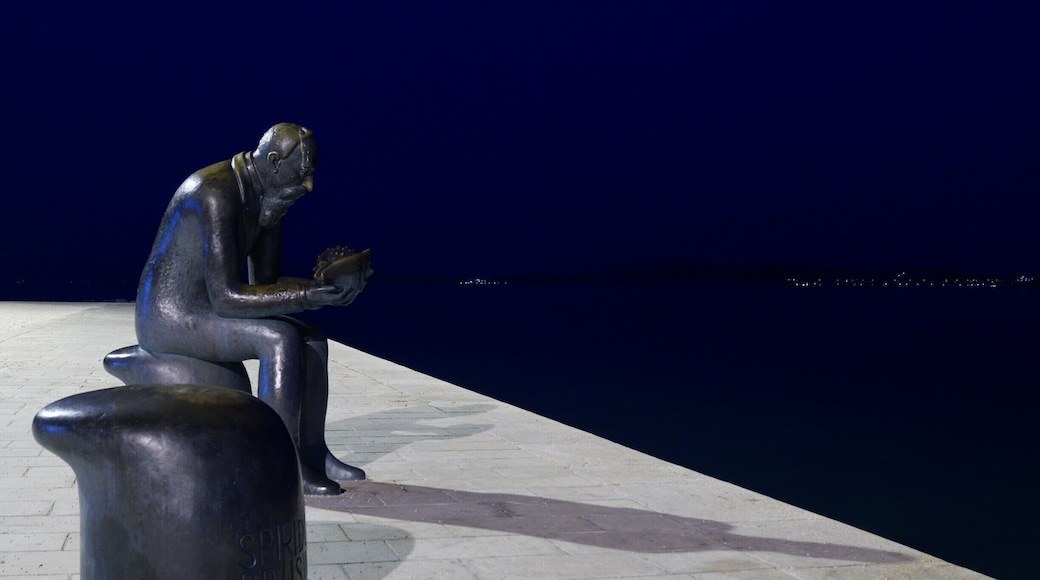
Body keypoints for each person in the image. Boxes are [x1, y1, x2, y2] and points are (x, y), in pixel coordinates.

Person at [135, 123, 365, 495]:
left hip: (209, 307)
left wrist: (322, 288)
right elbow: (228, 297)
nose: (309, 187)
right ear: (274, 162)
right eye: (302, 175)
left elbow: (264, 282)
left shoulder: (272, 196)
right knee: (279, 338)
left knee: (312, 338)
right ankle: (275, 463)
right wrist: (306, 297)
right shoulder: (216, 193)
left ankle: (312, 452)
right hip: (170, 316)